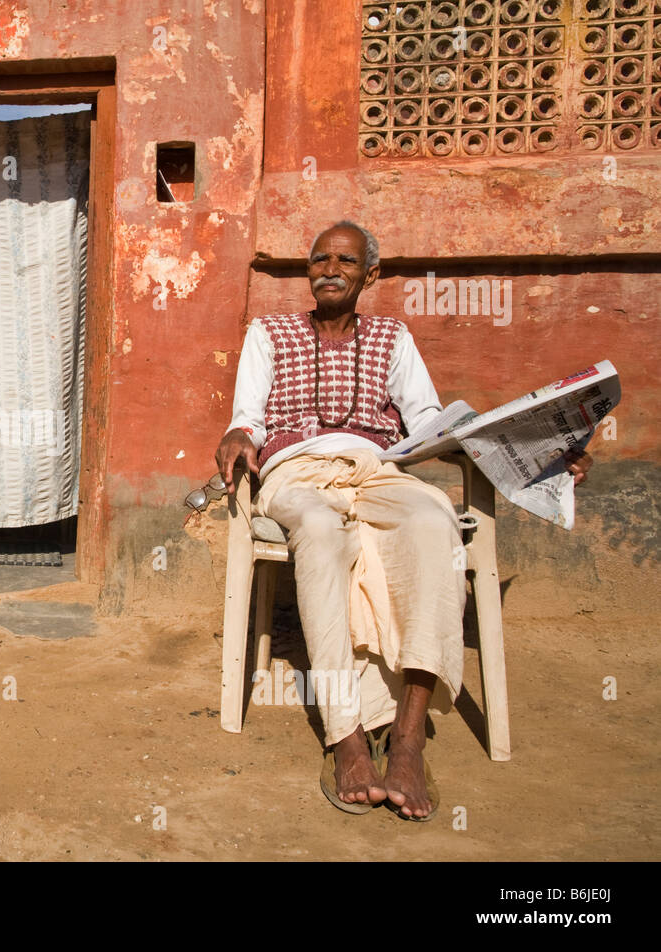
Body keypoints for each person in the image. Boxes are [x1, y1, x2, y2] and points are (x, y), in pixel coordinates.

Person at [215, 221, 593, 819]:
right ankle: (347, 736)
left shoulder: (392, 336)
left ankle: (409, 740)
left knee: (433, 522)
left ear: (371, 274)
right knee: (316, 530)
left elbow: (430, 424)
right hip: (298, 470)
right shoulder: (270, 331)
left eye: (345, 260)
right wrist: (239, 433)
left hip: (378, 469)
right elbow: (248, 418)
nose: (329, 269)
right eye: (319, 260)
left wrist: (543, 455)